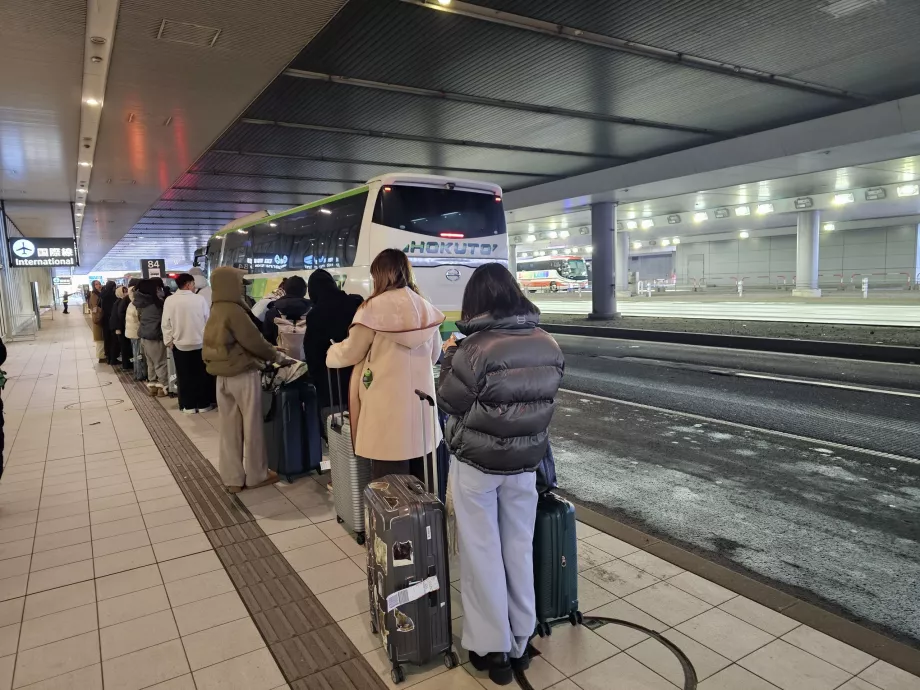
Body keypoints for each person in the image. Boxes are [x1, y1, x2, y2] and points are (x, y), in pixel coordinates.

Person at [436, 263, 564, 685]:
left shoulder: (474, 348)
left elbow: (450, 400)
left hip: (477, 465)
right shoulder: (548, 344)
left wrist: (451, 352)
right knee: (518, 549)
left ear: (477, 302)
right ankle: (520, 642)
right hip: (526, 465)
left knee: (482, 553)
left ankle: (491, 650)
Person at [326, 249, 443, 481]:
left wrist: (331, 352)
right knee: (422, 481)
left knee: (389, 484)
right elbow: (435, 355)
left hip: (385, 410)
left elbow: (350, 352)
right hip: (420, 410)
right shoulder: (426, 308)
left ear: (379, 275)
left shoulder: (371, 310)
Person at [203, 267, 289, 493]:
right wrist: (276, 355)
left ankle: (232, 478)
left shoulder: (216, 308)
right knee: (251, 426)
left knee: (229, 428)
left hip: (221, 376)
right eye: (240, 282)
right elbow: (254, 342)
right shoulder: (234, 310)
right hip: (242, 373)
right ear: (231, 284)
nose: (242, 286)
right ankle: (257, 474)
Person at [304, 269, 363, 411]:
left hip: (331, 383)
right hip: (359, 379)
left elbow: (313, 353)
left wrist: (315, 378)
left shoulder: (315, 314)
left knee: (336, 427)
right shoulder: (356, 304)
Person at [163, 273, 215, 414]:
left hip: (179, 345)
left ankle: (188, 406)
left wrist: (169, 341)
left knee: (184, 376)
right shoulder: (200, 299)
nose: (194, 287)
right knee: (202, 375)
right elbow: (208, 321)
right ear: (188, 284)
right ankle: (203, 404)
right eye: (193, 284)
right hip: (200, 344)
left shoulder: (170, 300)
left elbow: (166, 324)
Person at [133, 279, 169, 396]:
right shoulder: (156, 304)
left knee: (151, 363)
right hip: (154, 337)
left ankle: (153, 386)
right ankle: (162, 387)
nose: (160, 291)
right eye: (158, 288)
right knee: (160, 363)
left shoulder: (141, 303)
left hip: (144, 337)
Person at [262, 275, 311, 354]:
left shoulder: (272, 313)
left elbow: (267, 340)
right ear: (305, 291)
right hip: (307, 360)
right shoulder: (313, 312)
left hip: (281, 360)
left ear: (285, 290)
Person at [125, 279, 145, 381]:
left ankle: (137, 373)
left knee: (136, 354)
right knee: (138, 355)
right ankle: (139, 374)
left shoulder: (131, 302)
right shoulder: (137, 303)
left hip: (131, 332)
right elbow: (140, 318)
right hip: (136, 332)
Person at [110, 286, 133, 371]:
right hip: (121, 328)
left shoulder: (122, 301)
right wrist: (118, 328)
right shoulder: (119, 302)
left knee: (125, 347)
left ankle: (127, 363)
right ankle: (126, 364)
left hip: (123, 328)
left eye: (126, 291)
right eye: (124, 291)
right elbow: (116, 317)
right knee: (124, 347)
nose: (126, 293)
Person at [100, 281, 120, 365]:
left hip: (105, 320)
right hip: (111, 320)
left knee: (107, 339)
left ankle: (108, 357)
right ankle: (113, 358)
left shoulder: (103, 295)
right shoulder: (112, 296)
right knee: (114, 340)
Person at [89, 280, 105, 362]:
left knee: (102, 338)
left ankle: (102, 355)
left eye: (99, 283)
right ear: (93, 286)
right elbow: (95, 307)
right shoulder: (94, 295)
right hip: (98, 319)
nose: (98, 285)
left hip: (101, 318)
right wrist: (102, 310)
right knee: (100, 339)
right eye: (96, 284)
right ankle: (101, 357)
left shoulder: (100, 293)